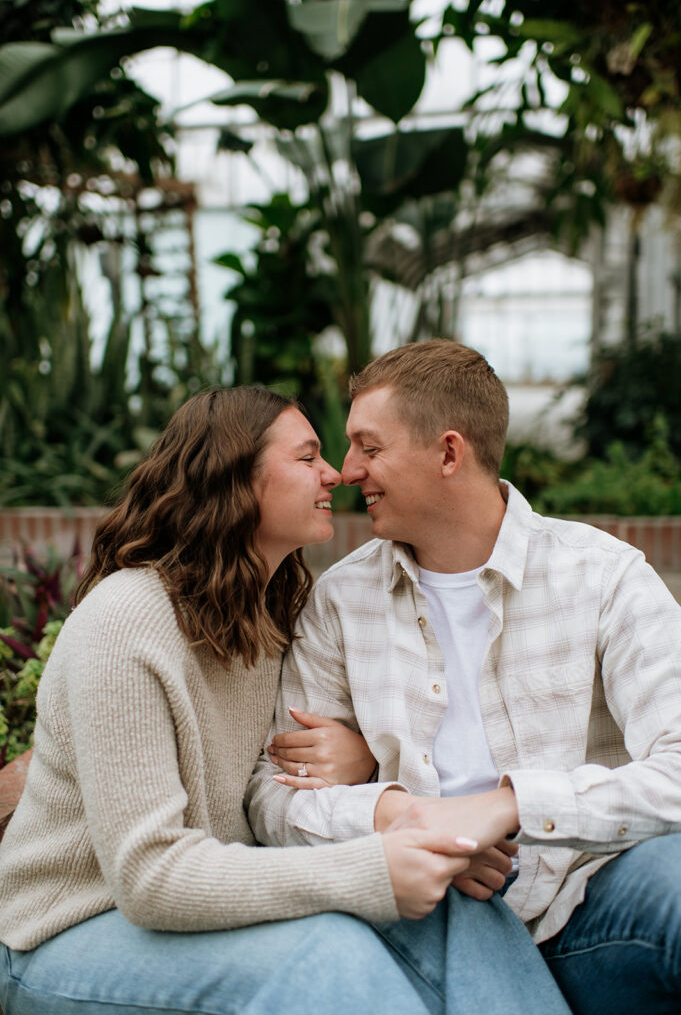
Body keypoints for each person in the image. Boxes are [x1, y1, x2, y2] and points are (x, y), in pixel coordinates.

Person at [0, 385, 551, 1015]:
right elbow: (149, 879)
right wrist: (375, 868)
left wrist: (377, 774)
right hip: (71, 933)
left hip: (204, 911)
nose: (336, 474)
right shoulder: (127, 622)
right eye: (308, 457)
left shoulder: (266, 617)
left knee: (458, 904)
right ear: (234, 478)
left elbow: (280, 776)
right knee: (328, 954)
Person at [247, 340, 681, 1015]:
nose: (346, 470)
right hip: (420, 917)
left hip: (587, 907)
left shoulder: (603, 575)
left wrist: (508, 805)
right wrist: (405, 820)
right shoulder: (338, 599)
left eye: (368, 447)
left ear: (449, 454)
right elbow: (273, 801)